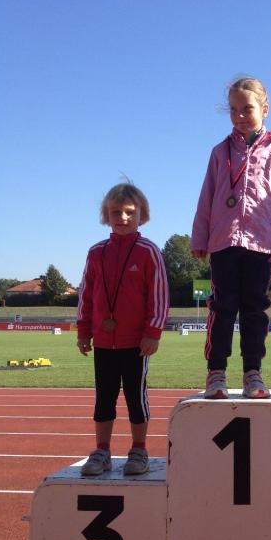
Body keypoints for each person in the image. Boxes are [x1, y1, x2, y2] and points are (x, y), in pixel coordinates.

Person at [192, 76, 271, 399]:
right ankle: (216, 373)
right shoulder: (219, 152)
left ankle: (253, 372)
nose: (239, 115)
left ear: (265, 109)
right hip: (223, 242)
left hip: (261, 244)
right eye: (234, 109)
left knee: (255, 309)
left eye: (247, 108)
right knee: (221, 307)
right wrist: (199, 237)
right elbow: (207, 196)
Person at [77, 183, 169, 476]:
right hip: (104, 341)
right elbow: (86, 295)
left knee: (135, 397)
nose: (123, 217)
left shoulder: (148, 251)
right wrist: (83, 331)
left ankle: (139, 449)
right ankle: (102, 451)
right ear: (106, 215)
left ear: (143, 215)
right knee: (103, 398)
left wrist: (153, 332)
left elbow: (159, 295)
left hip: (135, 343)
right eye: (115, 212)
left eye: (130, 212)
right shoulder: (96, 253)